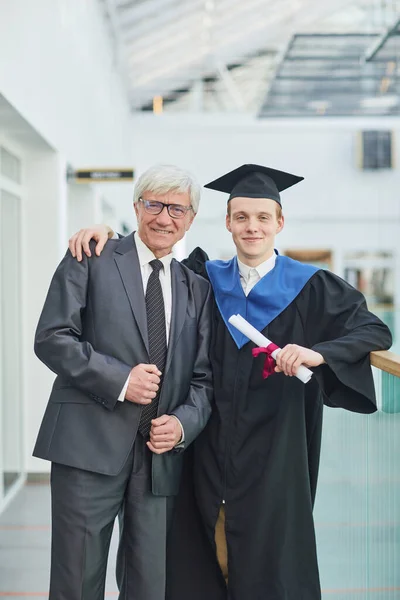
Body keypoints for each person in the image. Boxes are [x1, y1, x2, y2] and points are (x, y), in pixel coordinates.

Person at [69, 164, 392, 600]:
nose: (252, 227)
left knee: (269, 558)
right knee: (197, 554)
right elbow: (149, 259)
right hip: (205, 445)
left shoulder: (312, 287)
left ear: (280, 222)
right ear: (227, 222)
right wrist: (106, 232)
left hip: (277, 448)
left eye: (262, 217)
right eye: (241, 217)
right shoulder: (203, 277)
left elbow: (374, 332)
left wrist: (317, 352)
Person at [33, 164, 213, 600]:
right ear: (136, 207)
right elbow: (52, 338)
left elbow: (204, 381)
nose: (164, 218)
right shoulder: (92, 256)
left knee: (148, 586)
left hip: (157, 461)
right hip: (87, 448)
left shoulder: (197, 288)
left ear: (190, 219)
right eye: (153, 204)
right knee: (77, 581)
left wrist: (184, 425)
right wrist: (120, 381)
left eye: (176, 209)